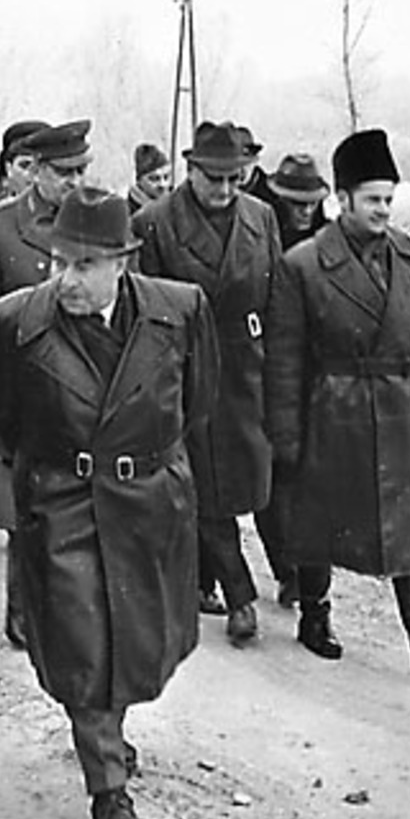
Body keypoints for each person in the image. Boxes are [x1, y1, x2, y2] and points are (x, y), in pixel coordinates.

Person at [0, 190, 218, 819]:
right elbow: (0, 421)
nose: (68, 279)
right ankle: (108, 790)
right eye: (59, 261)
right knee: (82, 644)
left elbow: (199, 402)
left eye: (85, 265)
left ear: (123, 262)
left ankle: (109, 733)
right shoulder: (15, 323)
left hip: (150, 502)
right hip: (64, 501)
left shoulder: (180, 310)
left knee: (141, 641)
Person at [265, 129, 410, 681]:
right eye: (372, 200)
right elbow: (284, 359)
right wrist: (286, 436)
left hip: (399, 408)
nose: (383, 210)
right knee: (319, 519)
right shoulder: (303, 265)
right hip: (332, 409)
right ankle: (315, 614)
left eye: (389, 199)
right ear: (343, 200)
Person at [133, 121, 283, 647]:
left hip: (248, 365)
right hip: (187, 368)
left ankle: (290, 578)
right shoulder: (155, 223)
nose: (224, 190)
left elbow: (277, 301)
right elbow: (145, 313)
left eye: (233, 179)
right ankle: (240, 597)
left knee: (259, 481)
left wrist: (278, 367)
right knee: (206, 488)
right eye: (213, 178)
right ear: (190, 170)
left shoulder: (261, 217)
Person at [0, 118, 78, 647]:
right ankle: (23, 612)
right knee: (25, 508)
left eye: (81, 171)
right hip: (19, 388)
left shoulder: (97, 218)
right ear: (38, 172)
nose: (75, 183)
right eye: (64, 173)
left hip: (80, 385)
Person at [250, 153, 332, 607]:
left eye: (311, 203)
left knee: (311, 479)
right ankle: (286, 570)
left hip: (319, 375)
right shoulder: (262, 238)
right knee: (273, 479)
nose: (304, 211)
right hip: (268, 368)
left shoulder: (331, 242)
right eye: (295, 203)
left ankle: (310, 572)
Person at [0, 119, 47, 208]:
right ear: (8, 168)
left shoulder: (62, 212)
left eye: (43, 167)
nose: (34, 176)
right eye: (25, 165)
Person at [127, 143, 171, 214]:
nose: (162, 184)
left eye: (166, 177)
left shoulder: (175, 207)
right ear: (140, 180)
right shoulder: (128, 213)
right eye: (154, 179)